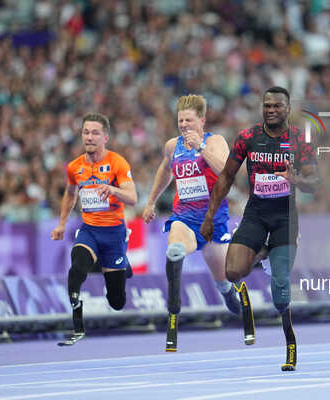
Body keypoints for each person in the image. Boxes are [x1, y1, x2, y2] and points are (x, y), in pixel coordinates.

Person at [201, 87, 319, 371]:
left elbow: (314, 183)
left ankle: (290, 345)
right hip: (256, 213)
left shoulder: (299, 140)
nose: (270, 110)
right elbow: (227, 176)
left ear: (287, 109)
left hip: (285, 217)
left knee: (280, 292)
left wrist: (296, 179)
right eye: (267, 105)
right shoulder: (248, 138)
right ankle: (263, 252)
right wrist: (209, 215)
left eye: (277, 106)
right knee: (232, 271)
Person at [142, 94, 241, 352]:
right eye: (180, 120)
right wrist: (151, 201)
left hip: (212, 222)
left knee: (223, 281)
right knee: (174, 252)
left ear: (202, 121)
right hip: (183, 217)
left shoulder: (215, 141)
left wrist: (200, 148)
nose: (184, 125)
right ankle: (174, 310)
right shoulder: (172, 146)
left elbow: (227, 172)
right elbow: (165, 171)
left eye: (189, 120)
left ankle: (227, 291)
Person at [51, 112, 137, 345]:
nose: (89, 137)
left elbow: (132, 197)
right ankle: (77, 326)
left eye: (95, 133)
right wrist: (61, 224)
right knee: (77, 266)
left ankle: (121, 263)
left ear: (105, 137)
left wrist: (113, 190)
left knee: (117, 302)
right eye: (86, 132)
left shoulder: (117, 163)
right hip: (89, 230)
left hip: (114, 234)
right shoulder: (74, 167)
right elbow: (70, 195)